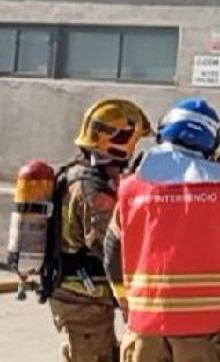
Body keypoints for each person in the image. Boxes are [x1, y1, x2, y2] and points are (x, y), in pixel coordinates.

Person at [104, 98, 220, 362]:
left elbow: (112, 252)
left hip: (145, 329)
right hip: (204, 332)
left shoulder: (131, 188)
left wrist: (126, 302)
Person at [47, 98, 152, 362]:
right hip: (82, 303)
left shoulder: (83, 175)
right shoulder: (90, 189)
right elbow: (109, 246)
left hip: (88, 300)